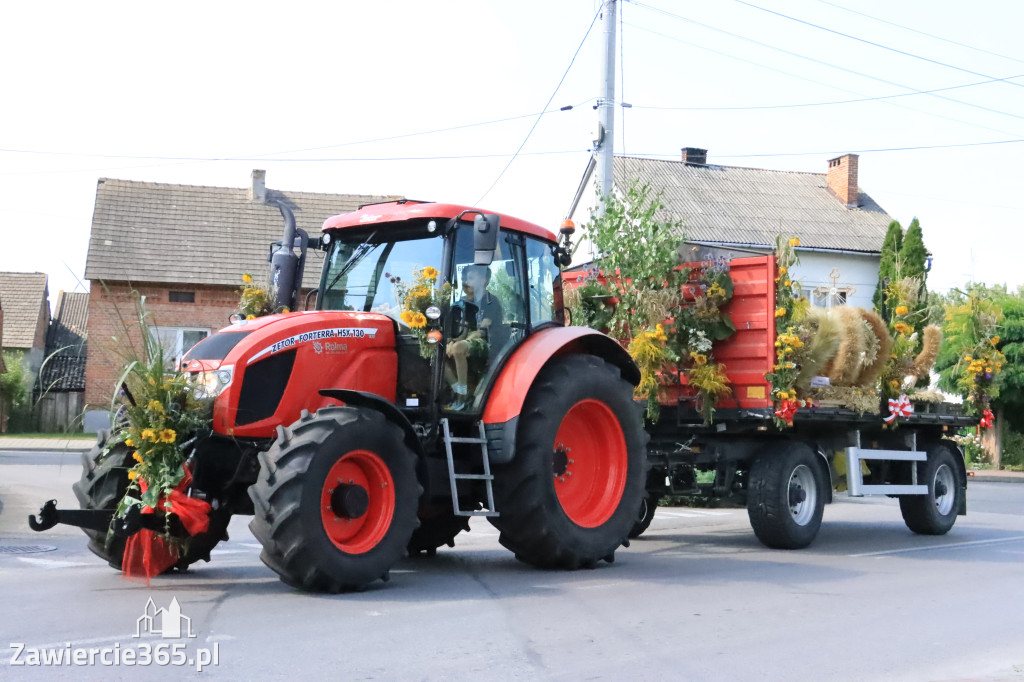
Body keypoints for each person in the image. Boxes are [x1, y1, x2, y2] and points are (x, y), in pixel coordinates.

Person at [445, 265, 509, 410]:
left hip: (489, 342)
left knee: (459, 348)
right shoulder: (462, 303)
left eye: (471, 278)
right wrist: (450, 341)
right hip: (466, 339)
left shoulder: (491, 302)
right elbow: (458, 328)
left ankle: (463, 395)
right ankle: (460, 389)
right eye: (465, 278)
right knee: (434, 352)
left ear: (484, 280)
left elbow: (481, 331)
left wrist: (458, 342)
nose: (466, 282)